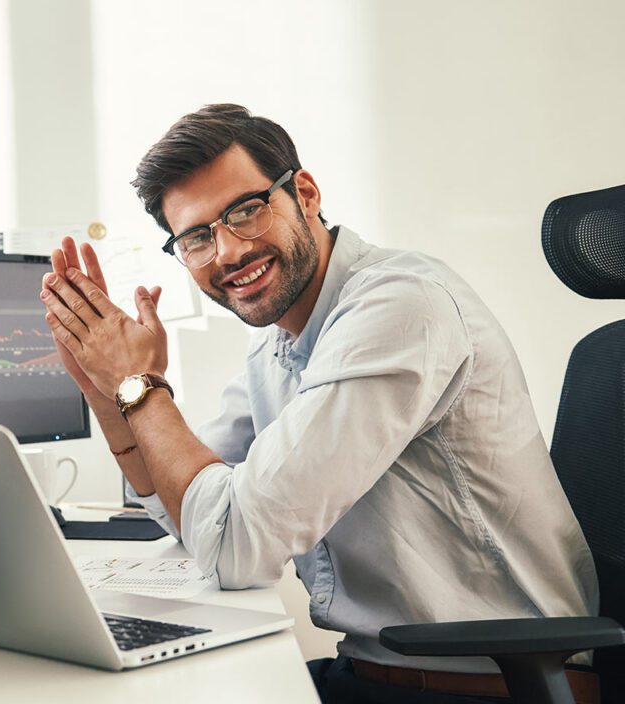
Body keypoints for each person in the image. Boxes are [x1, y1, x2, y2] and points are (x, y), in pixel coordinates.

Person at [38, 104, 597, 703]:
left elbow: (234, 547)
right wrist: (109, 394)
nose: (226, 252)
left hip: (489, 689)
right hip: (375, 677)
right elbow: (186, 514)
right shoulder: (279, 348)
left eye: (245, 211)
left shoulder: (402, 307)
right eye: (197, 236)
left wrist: (140, 386)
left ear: (303, 193)